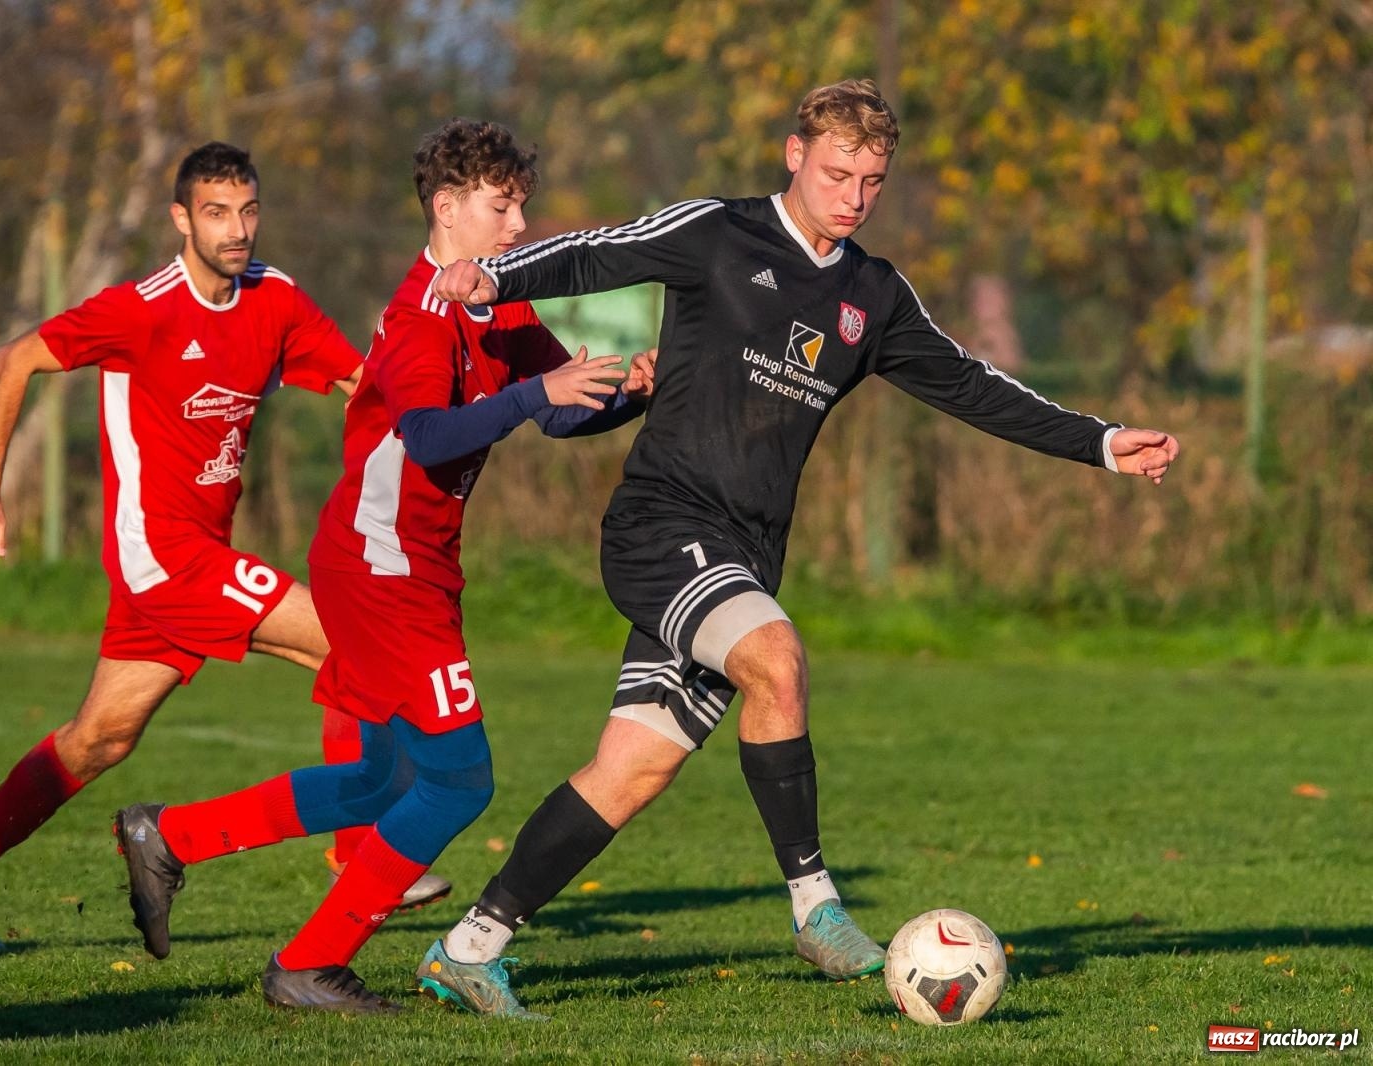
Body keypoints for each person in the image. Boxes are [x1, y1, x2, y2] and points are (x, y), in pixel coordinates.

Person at [415, 79, 1181, 1018]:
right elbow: (594, 253)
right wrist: (496, 276)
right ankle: (815, 906)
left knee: (633, 769)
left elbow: (974, 387)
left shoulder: (873, 294)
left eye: (871, 179)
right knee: (775, 659)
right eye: (836, 172)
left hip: (745, 551)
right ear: (794, 155)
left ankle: (470, 946)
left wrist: (1100, 442)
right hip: (662, 527)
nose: (852, 195)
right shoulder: (719, 232)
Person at [112, 118, 655, 1012]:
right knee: (461, 781)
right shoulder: (419, 315)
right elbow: (430, 432)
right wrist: (534, 394)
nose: (518, 224)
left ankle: (170, 836)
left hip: (404, 566)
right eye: (501, 205)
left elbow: (558, 411)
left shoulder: (497, 302)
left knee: (383, 781)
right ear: (447, 207)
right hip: (384, 573)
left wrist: (626, 391)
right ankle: (310, 962)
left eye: (521, 204)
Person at [0, 142, 460, 954]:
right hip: (162, 556)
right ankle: (360, 854)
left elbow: (360, 389)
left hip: (188, 561)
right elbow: (15, 357)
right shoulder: (142, 308)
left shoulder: (276, 300)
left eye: (247, 210)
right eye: (215, 212)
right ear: (181, 218)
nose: (236, 229)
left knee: (100, 738)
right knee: (355, 641)